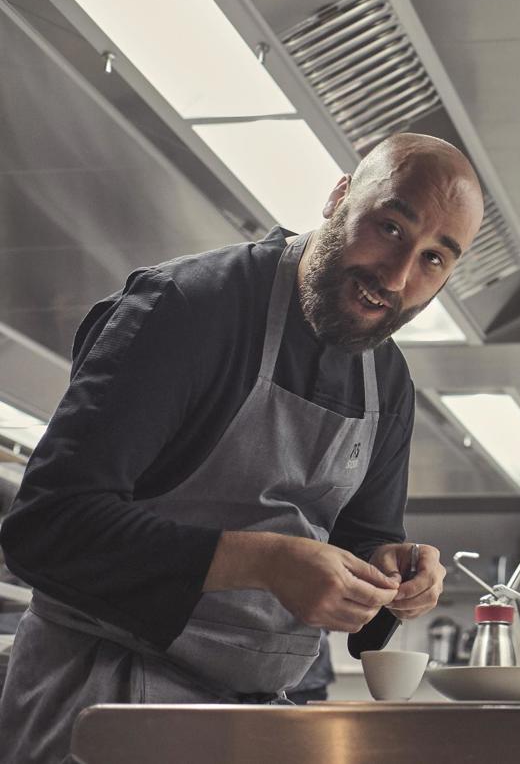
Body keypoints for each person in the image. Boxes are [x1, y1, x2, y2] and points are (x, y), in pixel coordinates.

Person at [0, 133, 482, 762]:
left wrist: (396, 574)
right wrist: (263, 562)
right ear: (340, 198)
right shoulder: (189, 309)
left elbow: (365, 542)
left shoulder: (387, 384)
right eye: (390, 227)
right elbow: (46, 528)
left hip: (253, 721)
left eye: (434, 260)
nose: (397, 276)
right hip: (100, 698)